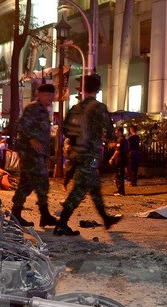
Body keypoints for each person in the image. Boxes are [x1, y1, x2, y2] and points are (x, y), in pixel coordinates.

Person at [54, 74, 120, 236]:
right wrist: (110, 140)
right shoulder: (98, 107)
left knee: (94, 187)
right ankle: (61, 224)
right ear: (98, 89)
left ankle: (106, 218)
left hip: (77, 154)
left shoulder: (75, 108)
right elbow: (110, 132)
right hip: (90, 154)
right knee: (79, 190)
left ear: (83, 89)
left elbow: (65, 130)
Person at [11, 83, 59, 228]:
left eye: (52, 95)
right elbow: (21, 126)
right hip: (29, 152)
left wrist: (47, 155)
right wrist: (32, 139)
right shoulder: (33, 108)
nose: (51, 98)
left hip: (39, 153)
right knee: (38, 182)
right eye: (48, 95)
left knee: (30, 183)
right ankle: (41, 215)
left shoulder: (45, 111)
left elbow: (45, 134)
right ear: (40, 94)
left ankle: (19, 214)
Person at [110, 127, 128, 196]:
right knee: (120, 175)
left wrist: (112, 158)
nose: (115, 132)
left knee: (119, 175)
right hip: (123, 159)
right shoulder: (125, 140)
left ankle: (121, 191)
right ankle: (120, 190)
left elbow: (118, 150)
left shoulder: (120, 140)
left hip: (120, 159)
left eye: (116, 131)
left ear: (119, 131)